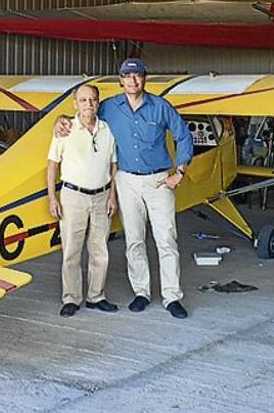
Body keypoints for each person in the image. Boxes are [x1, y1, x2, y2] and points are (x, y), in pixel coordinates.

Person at [54, 58, 194, 319]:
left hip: (159, 180)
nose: (132, 80)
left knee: (166, 240)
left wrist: (180, 173)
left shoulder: (161, 107)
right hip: (126, 181)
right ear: (120, 80)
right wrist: (61, 120)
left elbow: (183, 135)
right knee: (134, 241)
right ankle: (141, 292)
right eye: (127, 76)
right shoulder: (108, 107)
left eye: (137, 75)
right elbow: (83, 114)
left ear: (144, 79)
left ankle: (172, 297)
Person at [47, 84, 119, 318]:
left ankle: (96, 296)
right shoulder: (64, 129)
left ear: (98, 103)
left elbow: (113, 165)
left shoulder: (107, 129)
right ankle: (71, 298)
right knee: (71, 250)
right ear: (75, 104)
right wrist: (52, 197)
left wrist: (112, 195)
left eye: (93, 99)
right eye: (84, 100)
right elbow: (52, 164)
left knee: (100, 250)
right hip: (73, 196)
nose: (89, 103)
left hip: (101, 195)